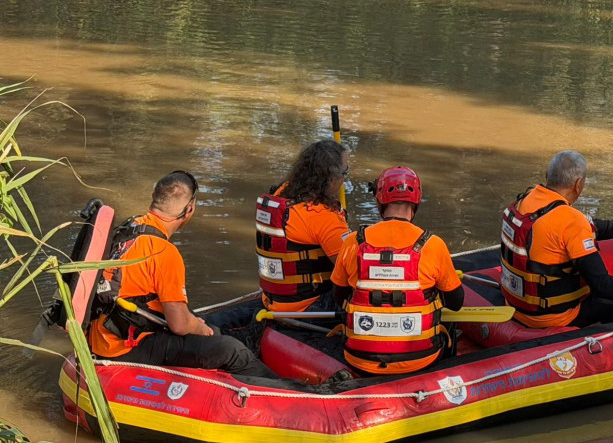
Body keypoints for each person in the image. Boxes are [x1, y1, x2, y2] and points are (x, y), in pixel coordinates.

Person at [89, 171, 277, 378]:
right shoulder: (164, 252)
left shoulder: (128, 228)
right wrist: (203, 331)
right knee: (232, 351)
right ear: (189, 209)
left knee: (207, 323)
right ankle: (292, 391)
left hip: (104, 335)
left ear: (154, 196)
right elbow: (179, 325)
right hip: (126, 347)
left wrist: (200, 325)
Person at [499, 151, 613, 329]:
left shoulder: (526, 201)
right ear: (578, 184)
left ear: (548, 175)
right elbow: (602, 286)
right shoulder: (570, 220)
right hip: (554, 317)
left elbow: (591, 228)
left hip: (517, 307)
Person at [331, 166, 464, 375]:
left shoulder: (353, 242)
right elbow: (455, 303)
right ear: (416, 202)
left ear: (379, 202)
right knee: (447, 322)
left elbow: (339, 297)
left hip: (359, 357)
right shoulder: (433, 245)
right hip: (420, 358)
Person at [255, 140, 351, 313]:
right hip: (307, 306)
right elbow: (350, 271)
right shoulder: (323, 217)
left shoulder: (281, 193)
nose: (344, 179)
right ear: (331, 177)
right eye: (345, 173)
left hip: (273, 299)